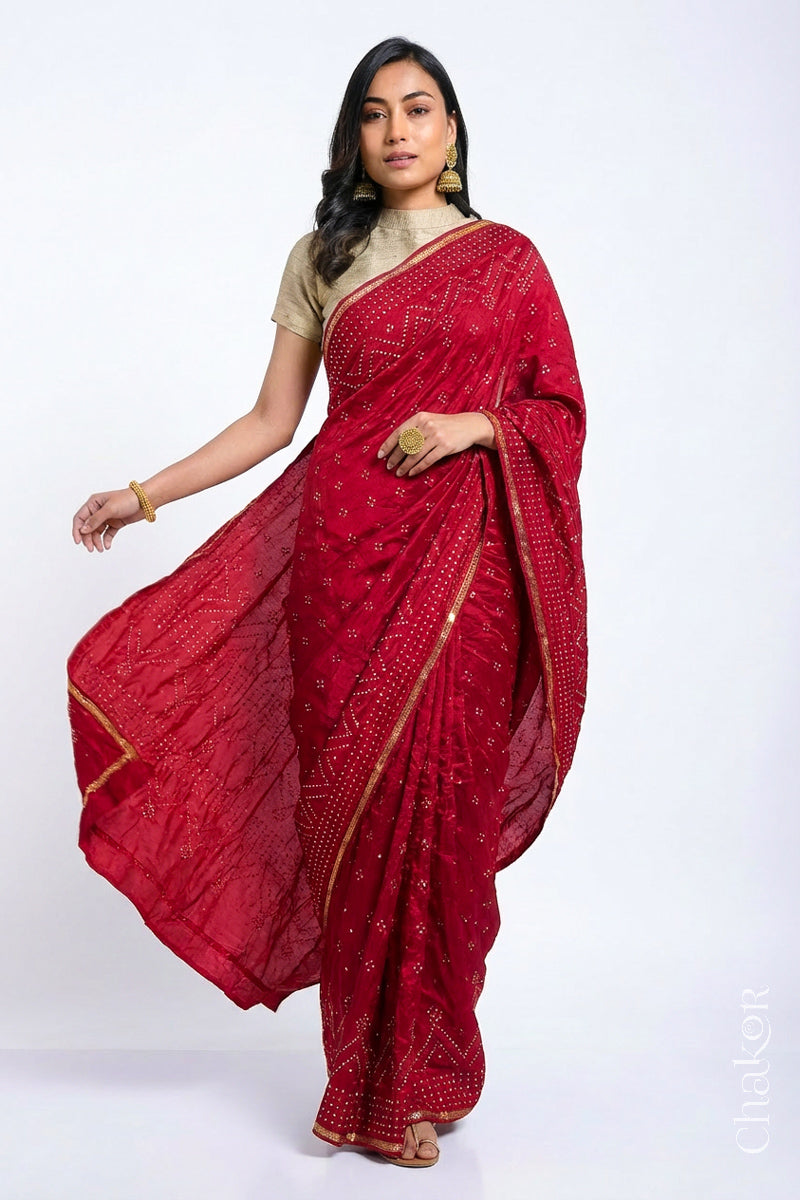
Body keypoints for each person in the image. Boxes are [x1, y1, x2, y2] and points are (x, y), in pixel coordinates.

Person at [67, 36, 588, 1168]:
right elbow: (271, 422)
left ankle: (427, 1074)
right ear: (353, 137)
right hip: (341, 566)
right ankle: (361, 1078)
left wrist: (473, 425)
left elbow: (558, 411)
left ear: (452, 131)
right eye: (374, 112)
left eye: (418, 108)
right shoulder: (320, 257)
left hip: (466, 572)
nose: (397, 130)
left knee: (444, 817)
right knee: (347, 820)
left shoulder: (509, 262)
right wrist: (142, 495)